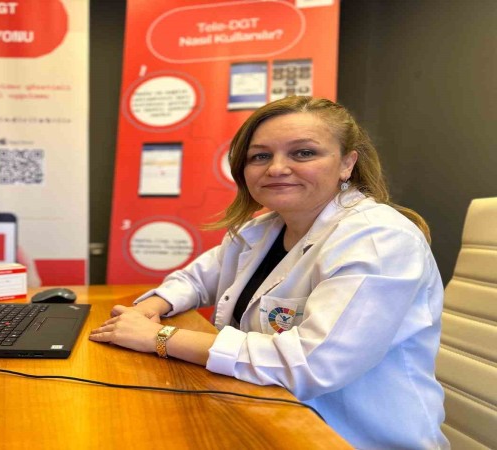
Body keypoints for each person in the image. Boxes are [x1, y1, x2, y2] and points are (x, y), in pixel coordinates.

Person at [89, 96, 448, 449]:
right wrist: (150, 308)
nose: (276, 168)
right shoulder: (264, 229)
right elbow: (195, 280)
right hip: (267, 411)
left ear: (347, 164)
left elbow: (312, 365)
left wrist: (160, 337)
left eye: (303, 153)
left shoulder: (377, 240)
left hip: (351, 436)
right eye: (260, 156)